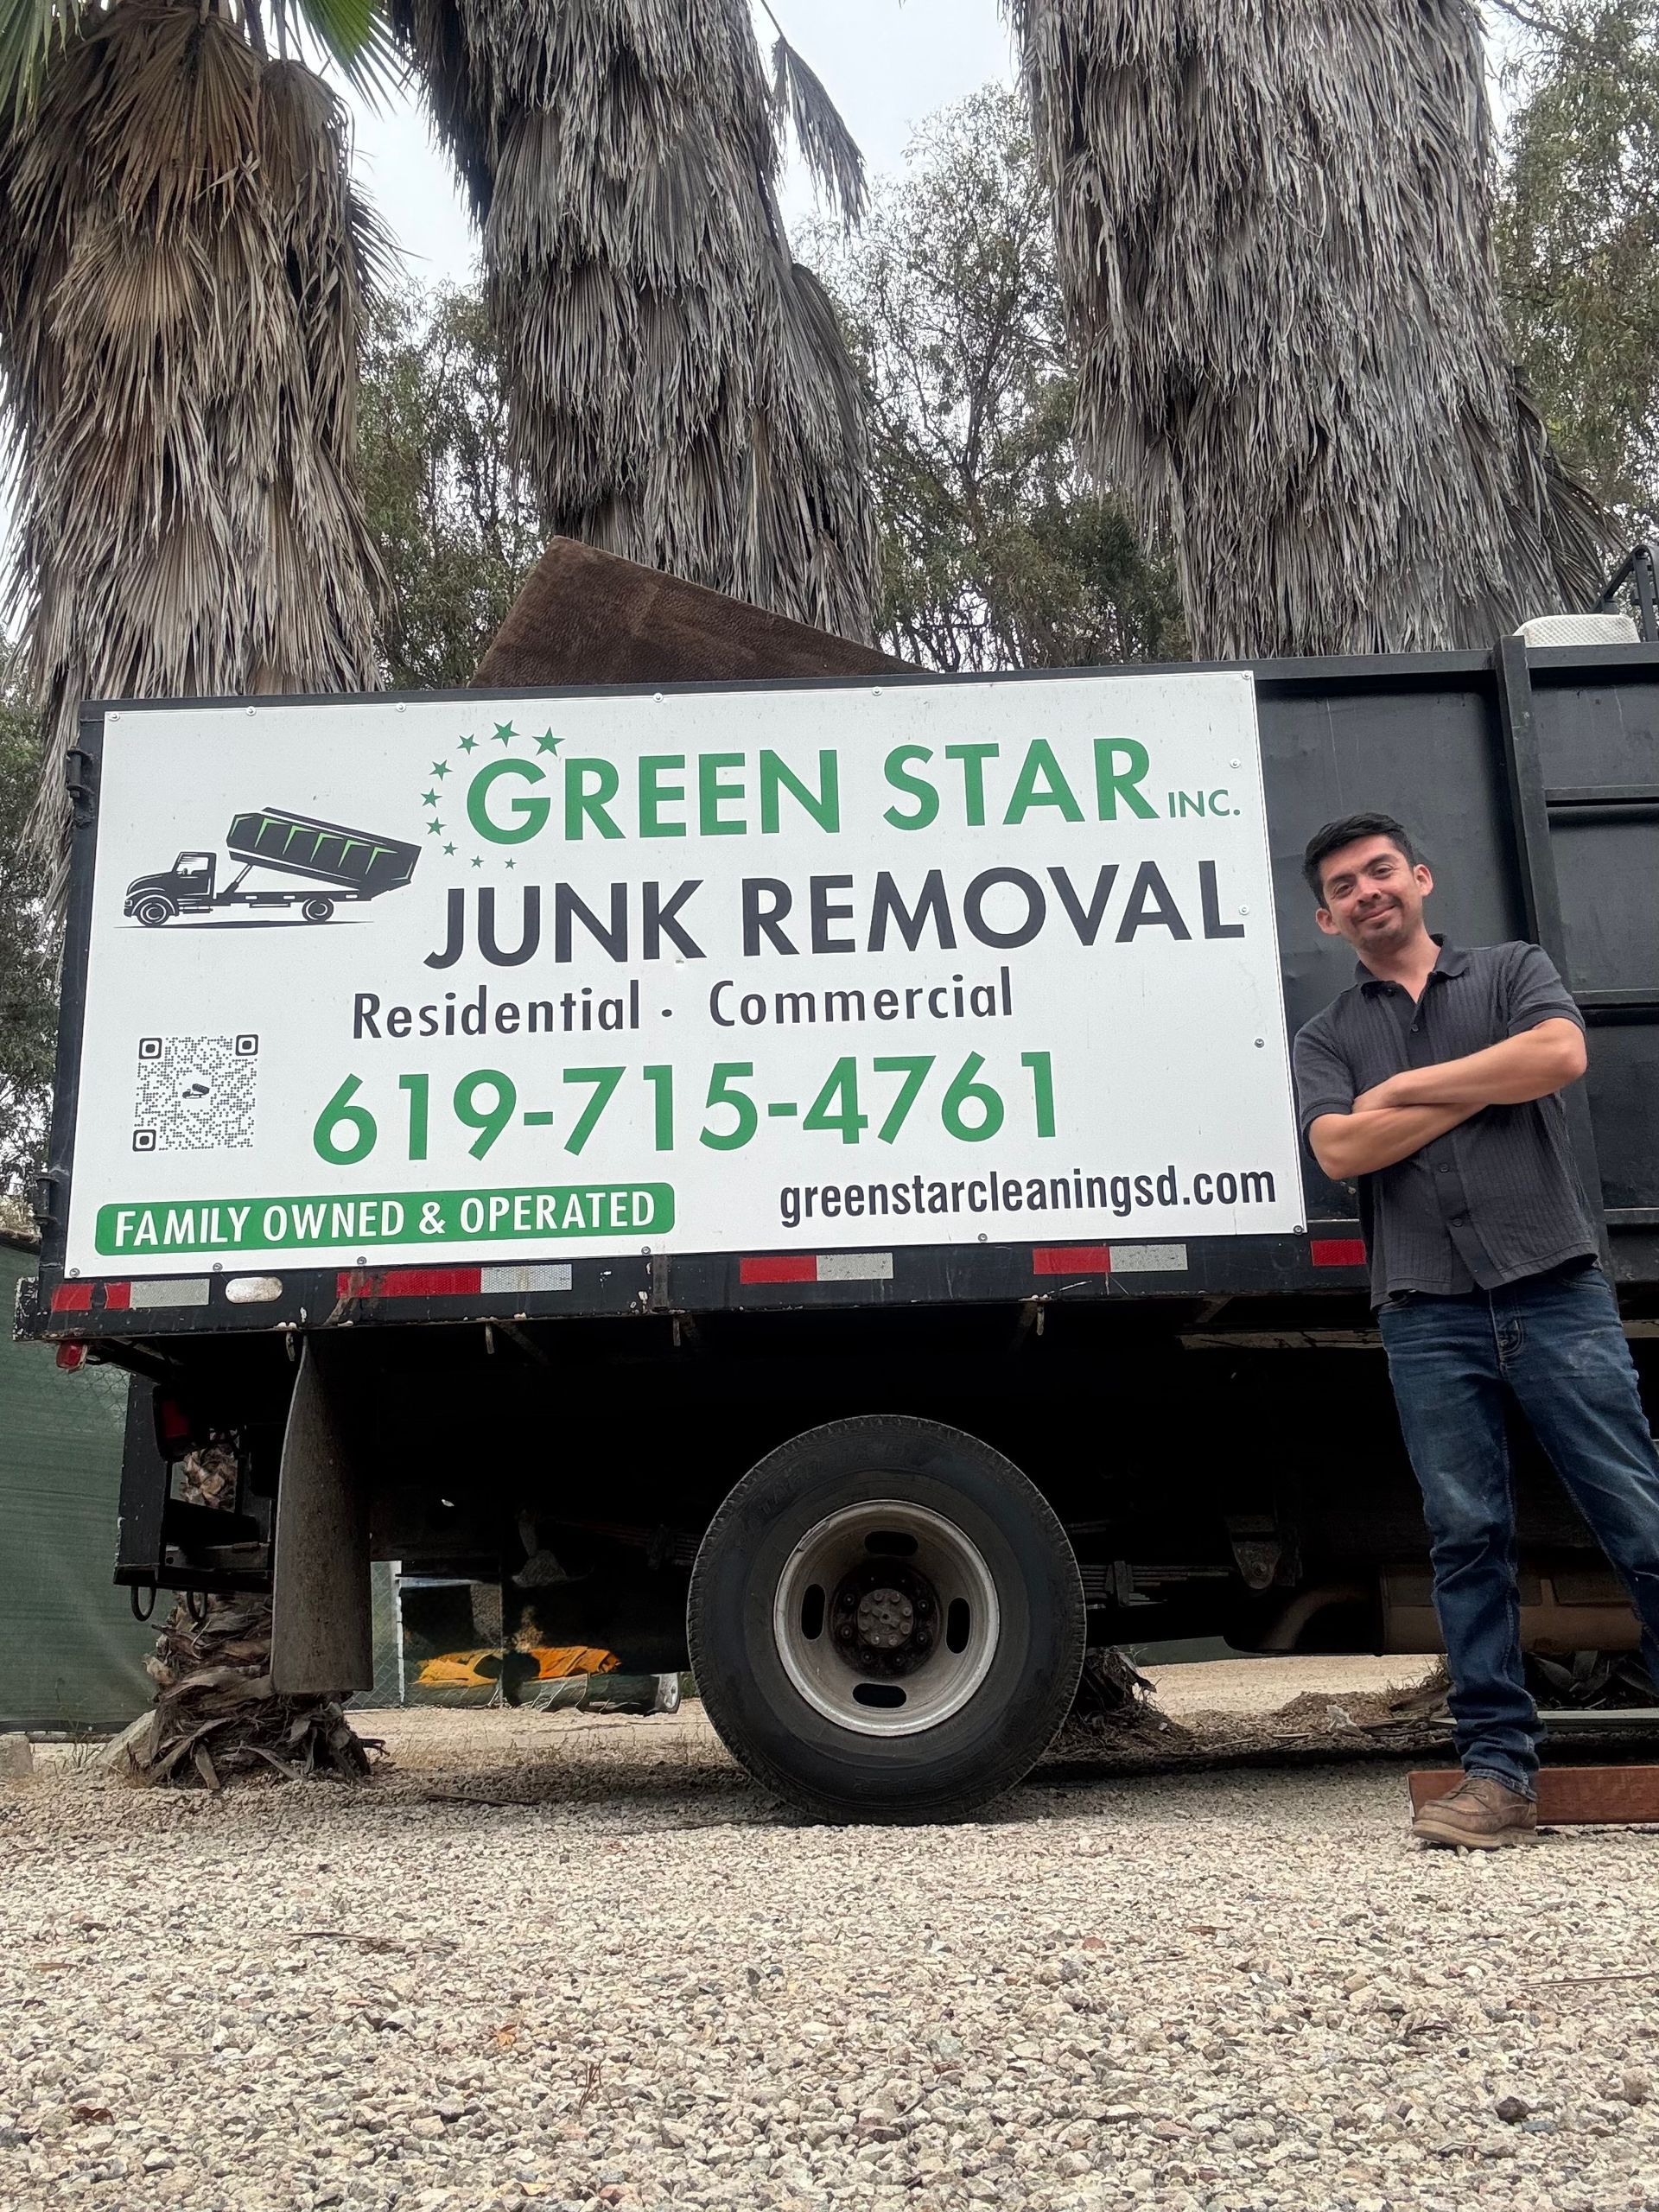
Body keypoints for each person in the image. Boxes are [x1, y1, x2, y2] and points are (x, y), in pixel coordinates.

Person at [1292, 810, 1659, 1849]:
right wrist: (1469, 1087)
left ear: (1421, 875)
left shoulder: (1509, 972)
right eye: (1345, 887)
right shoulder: (1328, 1037)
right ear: (1328, 920)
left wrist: (1405, 1088)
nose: (1368, 892)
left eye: (1380, 872)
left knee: (1638, 1518)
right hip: (1426, 1309)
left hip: (1554, 1288)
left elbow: (1554, 1057)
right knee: (1466, 1542)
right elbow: (1340, 1153)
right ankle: (1498, 1776)